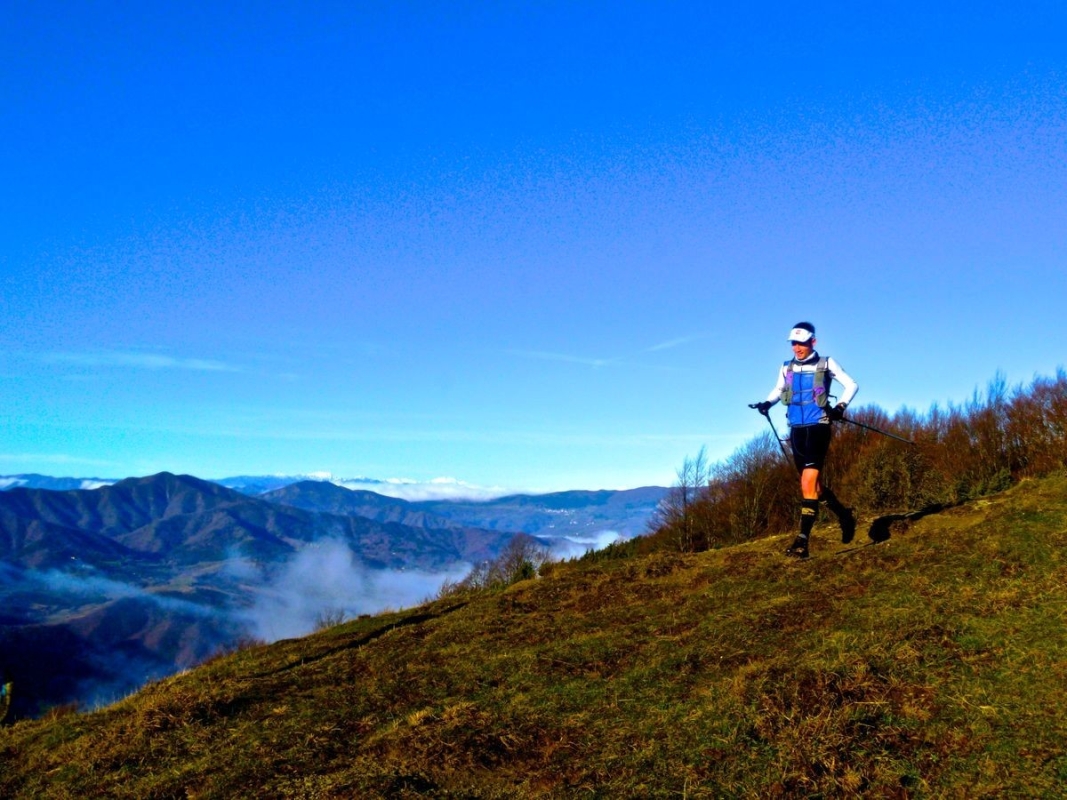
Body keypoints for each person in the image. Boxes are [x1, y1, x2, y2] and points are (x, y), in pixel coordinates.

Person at [753, 322, 859, 558]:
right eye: (794, 343)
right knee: (813, 485)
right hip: (796, 430)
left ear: (813, 342)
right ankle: (843, 514)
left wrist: (841, 406)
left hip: (819, 425)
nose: (797, 348)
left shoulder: (827, 363)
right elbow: (779, 389)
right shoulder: (786, 367)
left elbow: (852, 384)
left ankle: (802, 542)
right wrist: (766, 403)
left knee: (808, 482)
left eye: (801, 343)